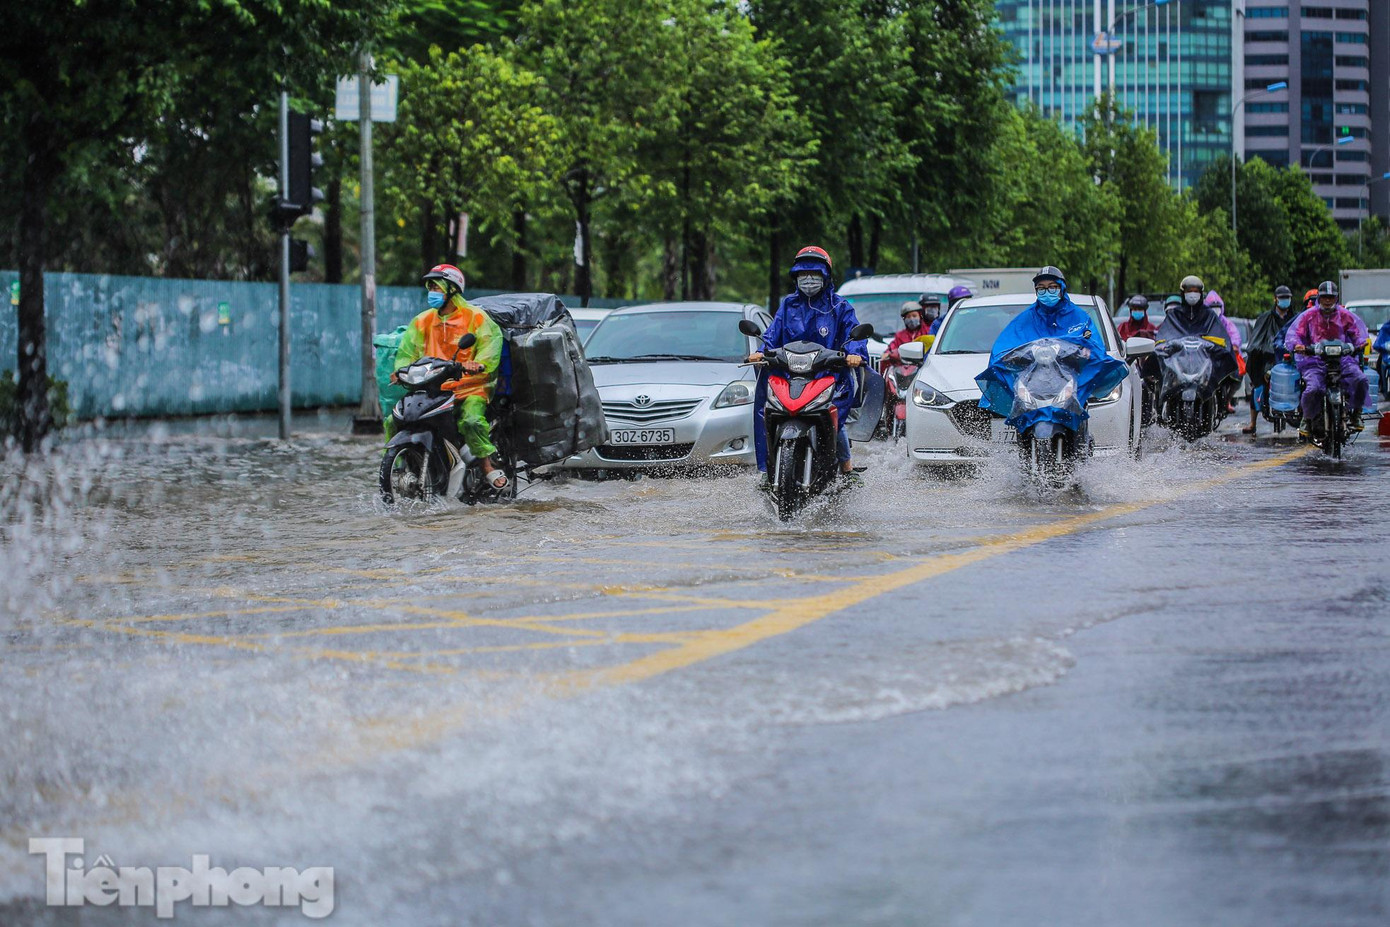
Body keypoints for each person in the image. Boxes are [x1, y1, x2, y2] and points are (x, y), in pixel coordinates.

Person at [749, 245, 868, 477]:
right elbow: (772, 334)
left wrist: (855, 354)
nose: (809, 280)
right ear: (796, 277)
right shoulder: (788, 305)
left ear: (825, 276)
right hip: (791, 375)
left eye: (814, 275)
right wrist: (762, 351)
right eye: (803, 275)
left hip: (828, 374)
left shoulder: (839, 306)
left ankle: (846, 468)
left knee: (836, 419)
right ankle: (767, 470)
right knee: (769, 411)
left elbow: (852, 332)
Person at [392, 263, 509, 489]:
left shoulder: (476, 318)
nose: (432, 293)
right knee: (395, 419)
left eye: (437, 288)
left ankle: (487, 466)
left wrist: (478, 364)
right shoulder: (422, 321)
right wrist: (401, 371)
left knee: (472, 421)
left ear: (452, 290)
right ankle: (404, 464)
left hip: (469, 388)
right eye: (430, 287)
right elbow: (407, 353)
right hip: (432, 389)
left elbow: (490, 347)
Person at [976, 266, 1125, 436]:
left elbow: (1093, 345)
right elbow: (1005, 347)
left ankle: (1080, 440)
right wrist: (1007, 359)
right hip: (1032, 382)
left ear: (1061, 288)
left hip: (1068, 380)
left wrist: (1085, 353)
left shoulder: (1079, 317)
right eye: (1041, 288)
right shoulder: (1026, 318)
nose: (1047, 292)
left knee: (1079, 408)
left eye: (1052, 287)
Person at [1284, 280, 1369, 435]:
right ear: (1319, 298)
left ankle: (1356, 413)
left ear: (1336, 298)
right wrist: (1298, 345)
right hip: (1315, 361)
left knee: (1361, 380)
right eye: (1324, 297)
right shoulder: (1308, 316)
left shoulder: (1345, 315)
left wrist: (1360, 343)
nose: (1328, 300)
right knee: (1313, 388)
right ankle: (1307, 418)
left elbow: (1357, 334)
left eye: (1331, 297)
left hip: (1342, 360)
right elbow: (1295, 335)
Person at [1243, 285, 1298, 434]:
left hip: (1290, 358)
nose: (1284, 301)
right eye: (1281, 298)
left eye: (1287, 298)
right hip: (1269, 359)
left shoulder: (1296, 318)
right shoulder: (1265, 318)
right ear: (1275, 299)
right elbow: (1256, 340)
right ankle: (1253, 422)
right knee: (1258, 384)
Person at [880, 298, 937, 373]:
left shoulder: (929, 331)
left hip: (924, 370)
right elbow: (892, 348)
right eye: (908, 317)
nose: (911, 319)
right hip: (905, 372)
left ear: (920, 316)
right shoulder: (900, 335)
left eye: (914, 316)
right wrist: (887, 353)